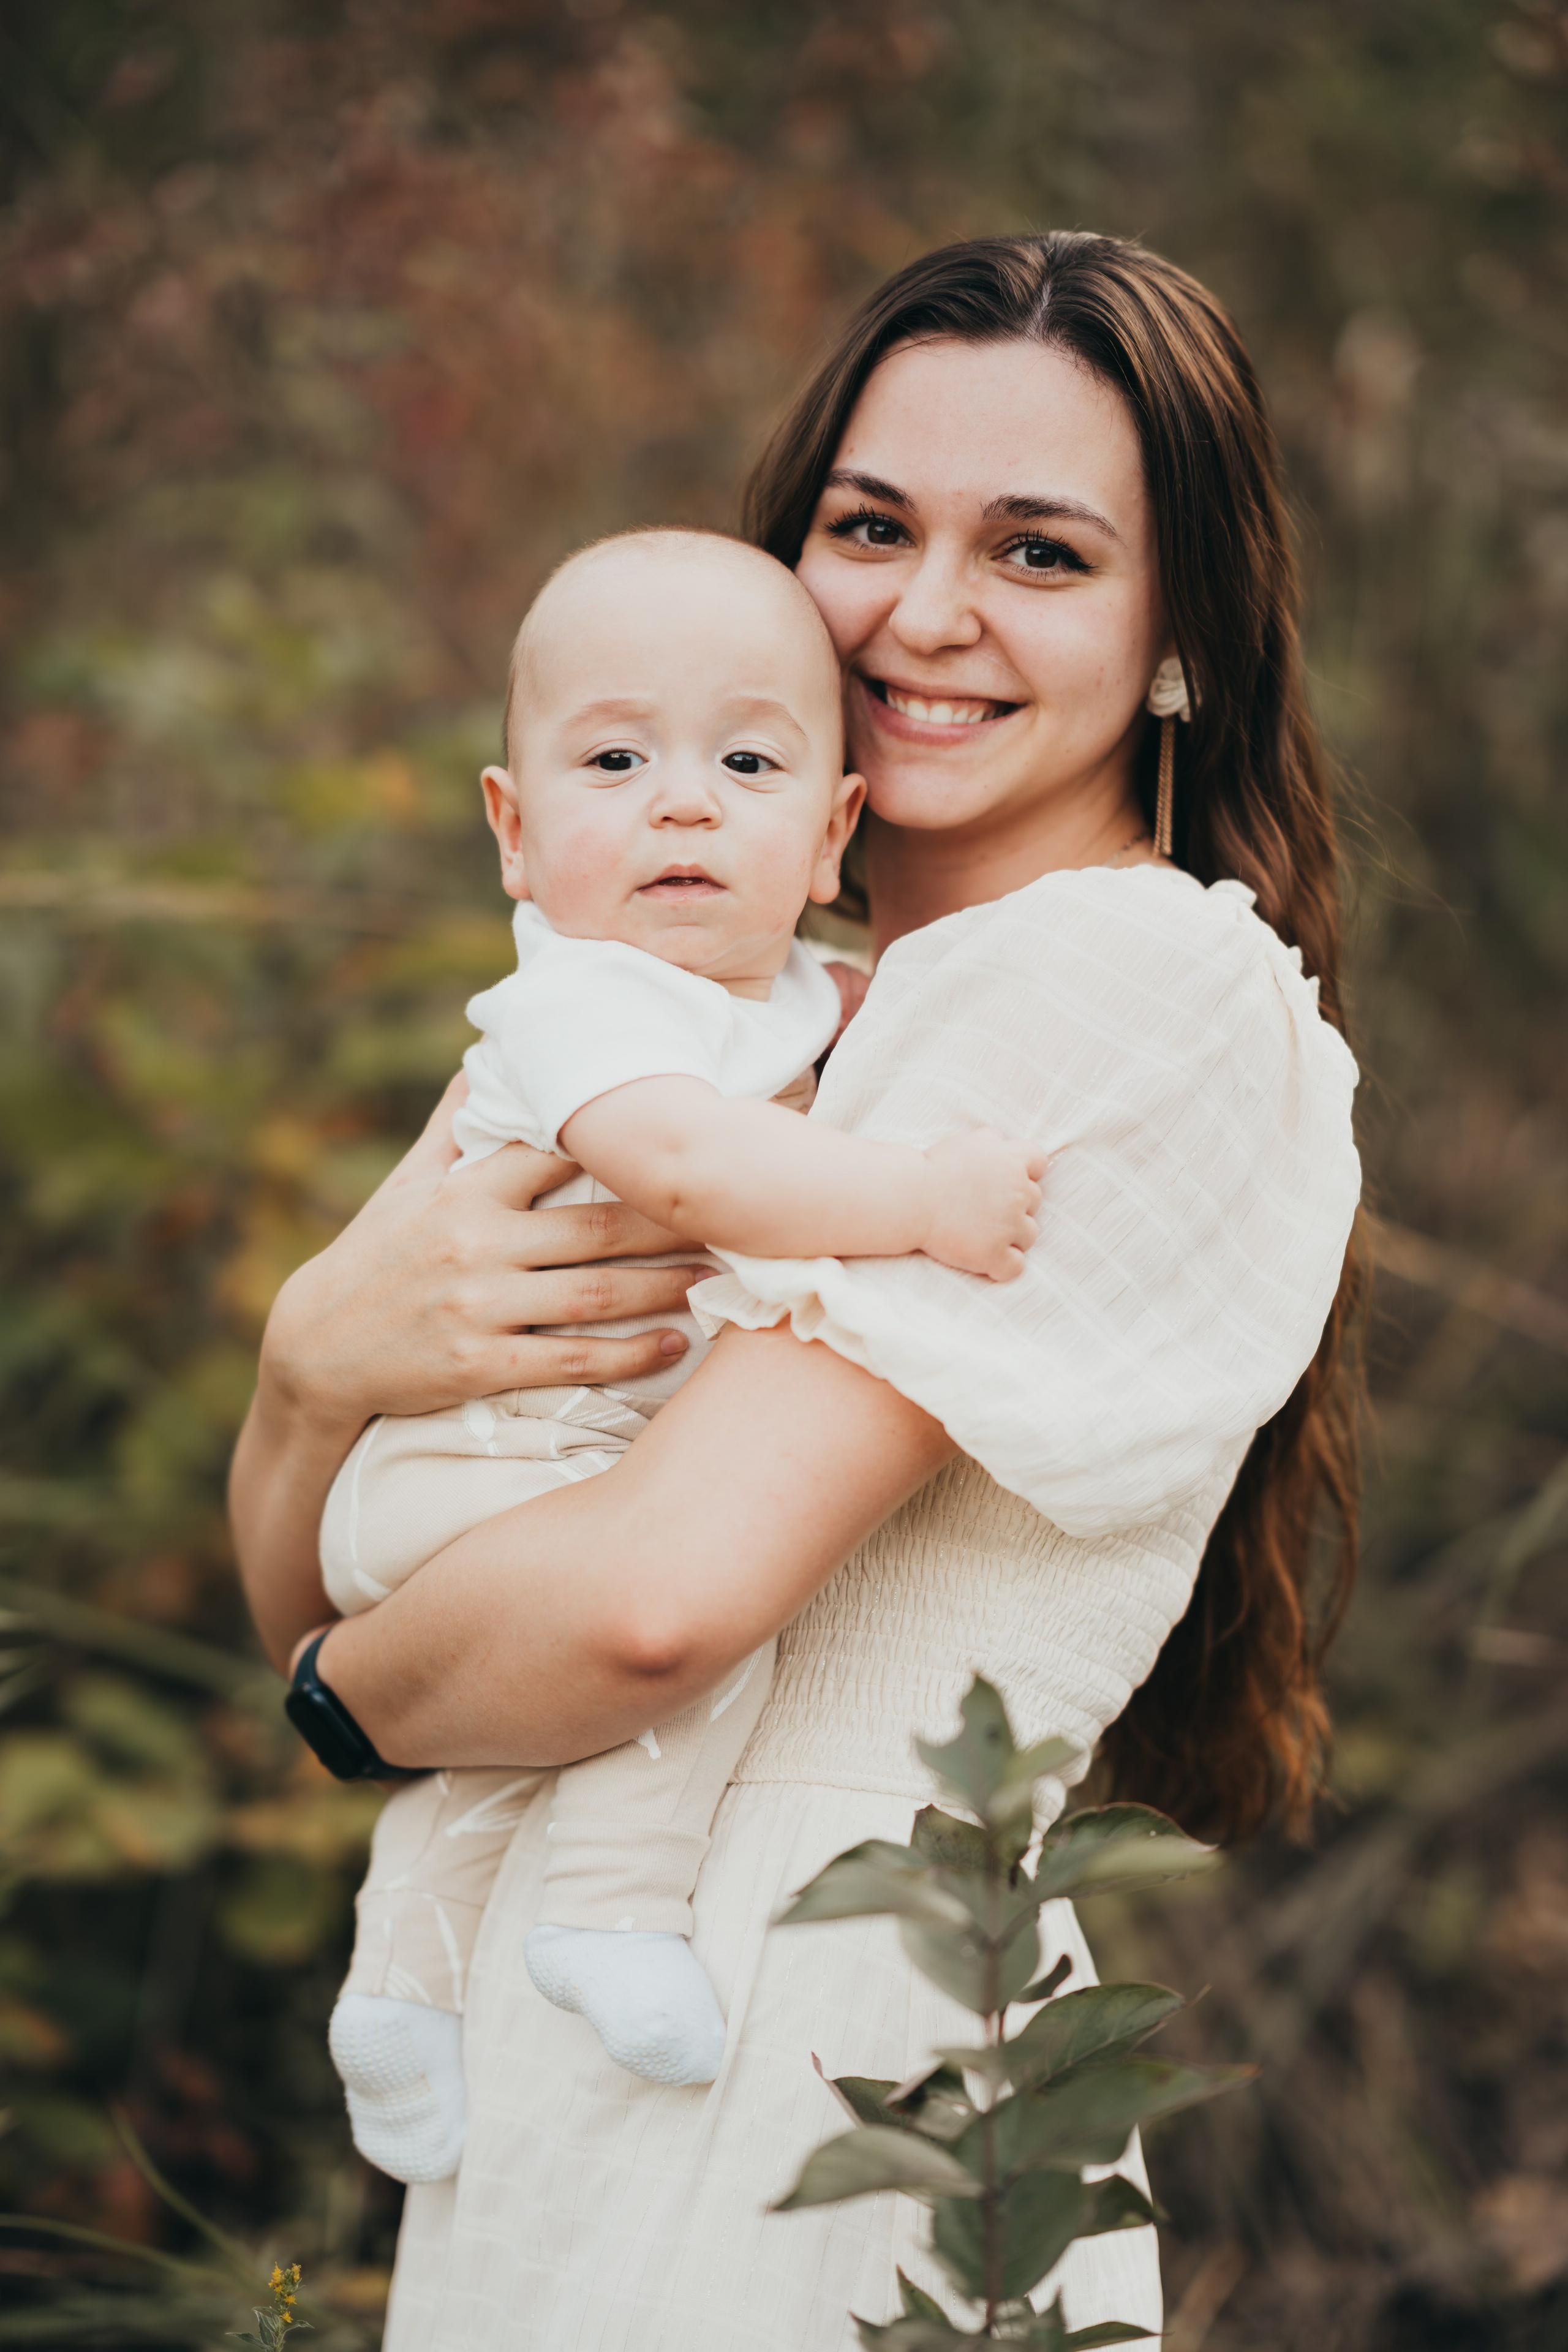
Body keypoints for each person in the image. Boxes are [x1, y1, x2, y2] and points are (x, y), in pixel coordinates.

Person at [230, 231, 1364, 2349]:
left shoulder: (1120, 982)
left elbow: (619, 1611)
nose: (922, 615)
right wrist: (307, 1379)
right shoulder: (691, 1012)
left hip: (838, 2037)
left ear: (1183, 629)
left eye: (1036, 552)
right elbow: (345, 1557)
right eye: (870, 526)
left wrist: (332, 1705)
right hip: (594, 2026)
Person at [322, 526, 1044, 2178]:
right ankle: (614, 1910)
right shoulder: (579, 1006)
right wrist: (919, 1199)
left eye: (745, 760)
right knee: (716, 1627)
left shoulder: (791, 991)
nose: (684, 801)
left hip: (546, 1469)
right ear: (514, 832)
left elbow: (815, 1043)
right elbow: (698, 1171)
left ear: (831, 829)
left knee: (504, 1743)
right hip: (479, 1472)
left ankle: (405, 1985)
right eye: (616, 758)